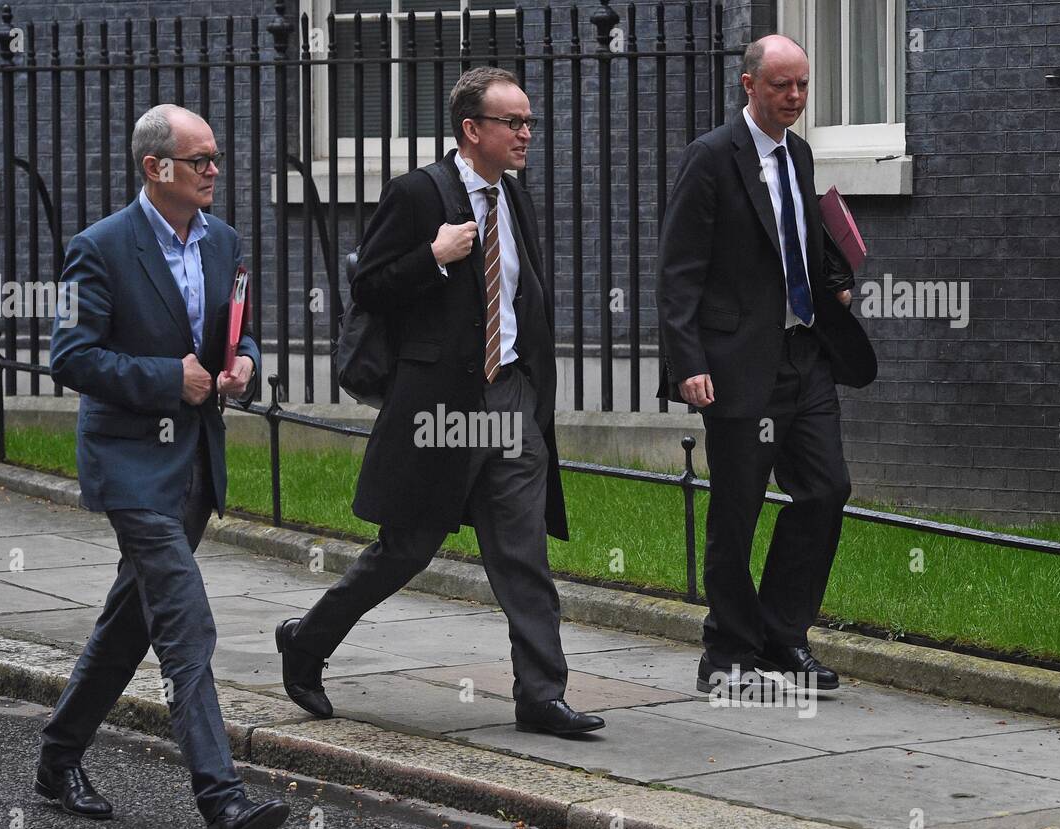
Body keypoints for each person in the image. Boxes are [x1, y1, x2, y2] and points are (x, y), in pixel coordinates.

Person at [275, 67, 604, 737]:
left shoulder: (516, 196)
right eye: (512, 122)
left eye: (528, 122)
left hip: (510, 395)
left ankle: (541, 694)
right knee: (407, 549)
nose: (525, 133)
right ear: (471, 129)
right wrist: (431, 254)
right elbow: (369, 285)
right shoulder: (418, 194)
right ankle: (307, 643)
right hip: (442, 408)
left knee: (522, 552)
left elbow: (523, 294)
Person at [39, 104, 289, 829]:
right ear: (156, 168)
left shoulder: (227, 242)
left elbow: (235, 329)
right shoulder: (99, 248)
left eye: (215, 158)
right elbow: (70, 356)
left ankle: (57, 758)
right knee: (186, 622)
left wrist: (244, 362)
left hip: (195, 466)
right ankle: (223, 802)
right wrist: (164, 379)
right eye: (201, 159)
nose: (215, 170)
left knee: (129, 624)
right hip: (130, 465)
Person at [657, 36, 877, 696]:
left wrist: (830, 279)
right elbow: (677, 271)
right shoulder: (709, 160)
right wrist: (688, 361)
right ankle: (725, 651)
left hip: (803, 356)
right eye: (783, 85)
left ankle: (783, 635)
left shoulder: (798, 155)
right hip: (736, 364)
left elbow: (800, 237)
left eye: (804, 85)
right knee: (736, 508)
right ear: (749, 86)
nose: (797, 98)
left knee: (825, 488)